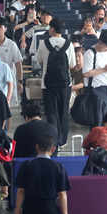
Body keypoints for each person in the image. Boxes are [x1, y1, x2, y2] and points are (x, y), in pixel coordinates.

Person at [14, 135, 70, 214]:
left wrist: (18, 212)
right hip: (49, 208)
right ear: (53, 149)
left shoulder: (26, 165)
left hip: (30, 208)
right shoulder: (58, 167)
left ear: (36, 147)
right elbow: (62, 193)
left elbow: (20, 190)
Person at [36, 18, 76, 147]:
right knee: (63, 112)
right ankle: (63, 141)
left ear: (52, 28)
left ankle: (53, 139)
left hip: (47, 84)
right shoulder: (69, 44)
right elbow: (72, 65)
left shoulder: (44, 43)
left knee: (51, 112)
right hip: (65, 84)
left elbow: (40, 62)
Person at [82, 30, 107, 128]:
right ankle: (94, 141)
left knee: (104, 120)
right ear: (100, 41)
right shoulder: (90, 53)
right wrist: (104, 69)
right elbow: (86, 73)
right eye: (106, 47)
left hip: (105, 87)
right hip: (94, 89)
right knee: (97, 120)